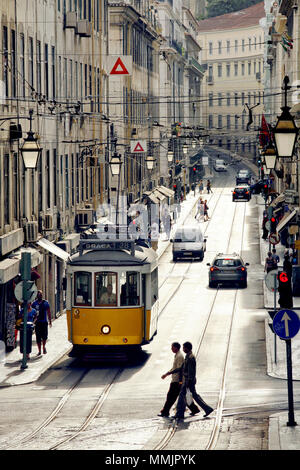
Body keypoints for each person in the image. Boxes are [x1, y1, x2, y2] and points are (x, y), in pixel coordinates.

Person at [172, 342, 214, 420]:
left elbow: (191, 372)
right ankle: (207, 409)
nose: (183, 349)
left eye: (184, 348)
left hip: (188, 380)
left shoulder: (190, 357)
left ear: (187, 348)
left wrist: (188, 382)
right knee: (194, 395)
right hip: (188, 380)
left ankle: (179, 413)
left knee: (182, 395)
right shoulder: (188, 356)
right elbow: (182, 368)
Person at [158, 342, 200, 417]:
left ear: (176, 348)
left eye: (172, 347)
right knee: (183, 396)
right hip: (176, 380)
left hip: (177, 381)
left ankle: (165, 411)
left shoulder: (180, 356)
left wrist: (180, 381)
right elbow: (174, 368)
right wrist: (167, 373)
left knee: (171, 396)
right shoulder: (177, 355)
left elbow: (180, 369)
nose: (171, 349)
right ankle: (194, 409)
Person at [32, 291, 52, 355]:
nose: (40, 296)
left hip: (44, 322)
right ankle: (39, 351)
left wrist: (50, 321)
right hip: (37, 323)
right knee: (38, 337)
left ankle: (43, 347)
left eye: (41, 295)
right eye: (38, 295)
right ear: (37, 296)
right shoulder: (34, 303)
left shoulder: (46, 303)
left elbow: (49, 312)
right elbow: (32, 312)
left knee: (44, 337)